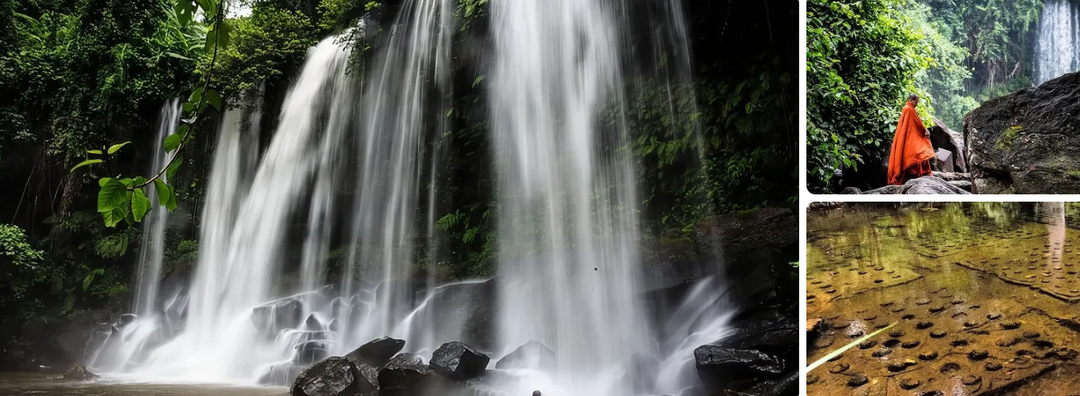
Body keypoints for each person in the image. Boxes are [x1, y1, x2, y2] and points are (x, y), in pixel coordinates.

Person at [886, 93, 935, 185]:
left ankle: (914, 174)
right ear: (911, 100)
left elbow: (915, 122)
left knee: (914, 153)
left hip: (908, 135)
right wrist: (924, 129)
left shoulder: (909, 108)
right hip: (908, 135)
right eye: (916, 102)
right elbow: (915, 123)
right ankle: (911, 174)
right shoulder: (908, 109)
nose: (916, 104)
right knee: (914, 152)